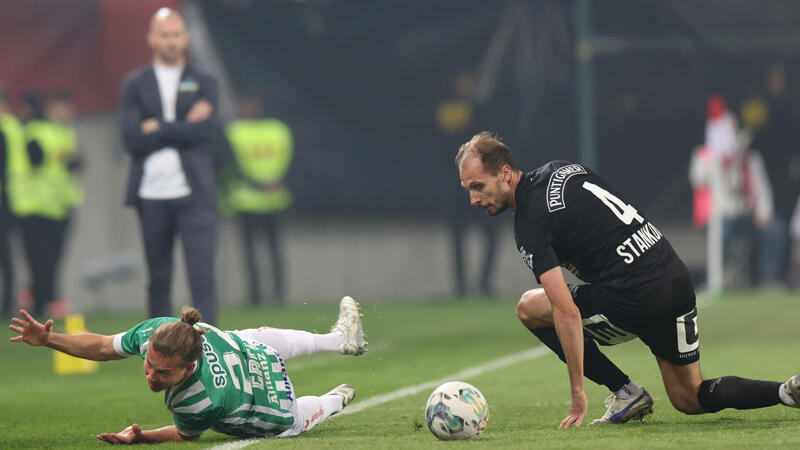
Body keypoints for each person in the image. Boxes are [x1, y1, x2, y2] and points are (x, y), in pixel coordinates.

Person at [455, 131, 800, 428]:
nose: (473, 199)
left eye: (478, 186)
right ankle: (786, 392)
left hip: (634, 297)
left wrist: (578, 393)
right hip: (674, 278)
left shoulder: (530, 223)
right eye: (468, 189)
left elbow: (565, 311)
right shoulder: (562, 169)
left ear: (505, 173)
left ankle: (624, 391)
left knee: (528, 308)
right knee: (689, 396)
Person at [8, 296, 367, 443]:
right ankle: (338, 340)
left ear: (189, 368)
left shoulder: (197, 401)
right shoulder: (157, 332)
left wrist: (142, 437)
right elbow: (103, 346)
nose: (152, 376)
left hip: (267, 400)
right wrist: (49, 339)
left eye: (163, 374)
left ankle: (333, 401)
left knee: (290, 422)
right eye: (149, 365)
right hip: (248, 351)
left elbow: (185, 435)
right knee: (246, 337)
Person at [119, 8, 220, 324]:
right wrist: (182, 125)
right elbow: (131, 138)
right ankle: (159, 342)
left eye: (176, 34)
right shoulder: (135, 83)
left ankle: (208, 341)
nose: (171, 41)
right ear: (151, 38)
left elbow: (205, 131)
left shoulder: (203, 80)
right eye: (164, 35)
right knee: (158, 275)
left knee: (201, 273)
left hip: (195, 192)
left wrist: (158, 126)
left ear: (186, 38)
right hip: (151, 193)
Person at [690, 94, 786, 287]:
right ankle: (719, 278)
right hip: (720, 216)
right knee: (721, 232)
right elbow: (698, 180)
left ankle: (768, 278)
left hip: (746, 215)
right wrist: (717, 158)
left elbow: (762, 189)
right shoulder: (705, 156)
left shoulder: (751, 160)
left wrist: (764, 212)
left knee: (775, 229)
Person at [221, 97, 293, 304]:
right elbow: (229, 162)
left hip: (272, 200)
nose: (249, 108)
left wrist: (275, 181)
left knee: (273, 250)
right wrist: (260, 183)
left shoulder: (277, 130)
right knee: (250, 252)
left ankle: (278, 295)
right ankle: (255, 295)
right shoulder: (235, 131)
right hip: (247, 201)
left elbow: (289, 159)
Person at [18, 90, 84, 318]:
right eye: (62, 107)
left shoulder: (66, 131)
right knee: (40, 259)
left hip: (62, 204)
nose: (68, 112)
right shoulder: (35, 131)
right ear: (50, 108)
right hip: (36, 205)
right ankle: (42, 301)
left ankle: (43, 299)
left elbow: (76, 162)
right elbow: (33, 160)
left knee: (54, 259)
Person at [435, 70, 498, 297]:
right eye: (462, 80)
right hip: (456, 187)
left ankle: (484, 283)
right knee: (457, 236)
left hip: (481, 185)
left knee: (491, 232)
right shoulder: (448, 109)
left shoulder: (482, 109)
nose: (466, 84)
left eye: (470, 80)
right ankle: (461, 286)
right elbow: (446, 143)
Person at [0, 89, 26, 318]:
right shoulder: (14, 127)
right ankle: (8, 304)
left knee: (7, 258)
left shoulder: (9, 128)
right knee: (7, 258)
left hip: (9, 201)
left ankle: (7, 304)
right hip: (13, 200)